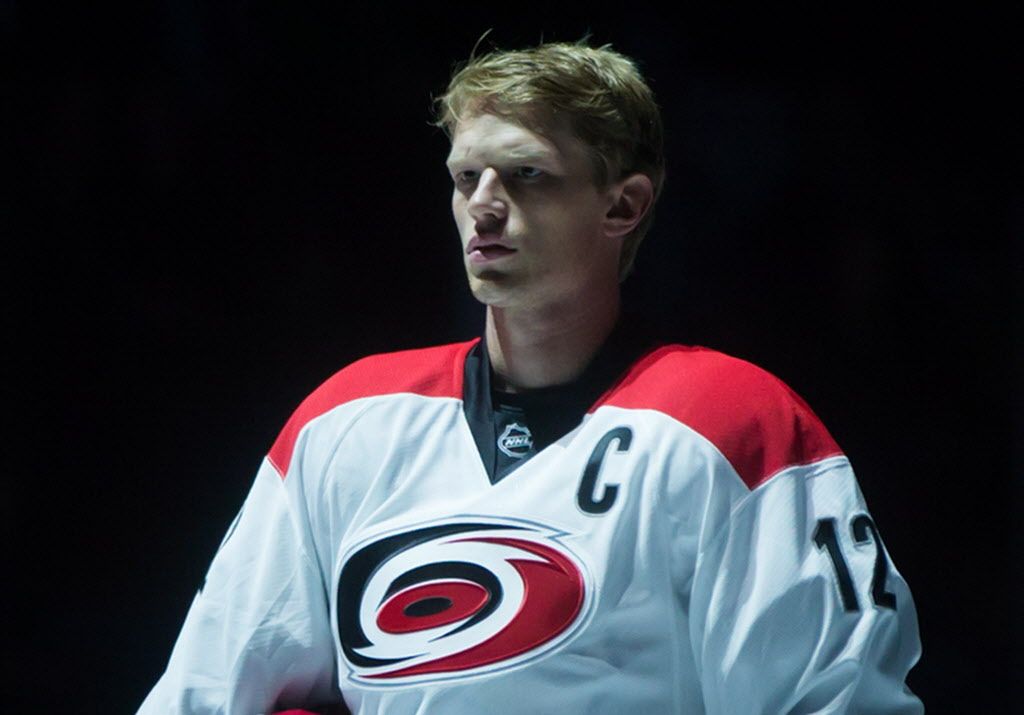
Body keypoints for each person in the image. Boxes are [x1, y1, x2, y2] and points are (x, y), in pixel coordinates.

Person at [139, 40, 923, 714]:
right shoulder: (345, 422)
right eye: (465, 176)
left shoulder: (733, 423)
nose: (483, 204)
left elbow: (836, 694)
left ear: (623, 205)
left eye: (527, 175)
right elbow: (205, 689)